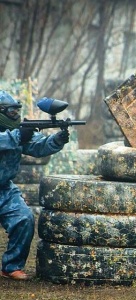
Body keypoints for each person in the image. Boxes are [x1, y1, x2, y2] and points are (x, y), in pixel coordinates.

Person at [0, 90, 69, 280]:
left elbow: (37, 147)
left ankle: (11, 267)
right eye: (11, 112)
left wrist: (57, 140)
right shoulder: (14, 135)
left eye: (16, 111)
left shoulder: (16, 134)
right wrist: (17, 136)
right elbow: (11, 139)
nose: (15, 115)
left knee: (24, 218)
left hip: (4, 188)